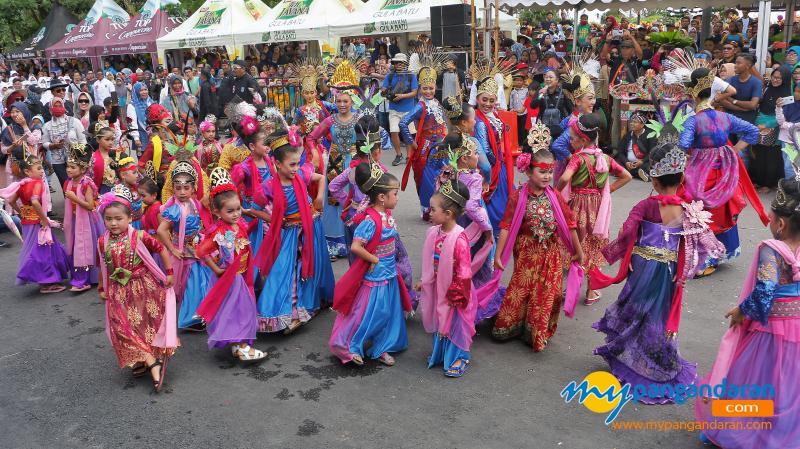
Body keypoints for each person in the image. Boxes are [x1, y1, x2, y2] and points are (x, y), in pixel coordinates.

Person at [591, 123, 725, 404]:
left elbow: (626, 233)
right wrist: (686, 271)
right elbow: (703, 245)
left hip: (642, 267)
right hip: (668, 272)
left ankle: (631, 356)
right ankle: (655, 359)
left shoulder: (646, 206)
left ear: (653, 180)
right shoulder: (688, 209)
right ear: (681, 177)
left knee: (636, 308)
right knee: (658, 315)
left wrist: (612, 255)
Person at [695, 177, 800, 448]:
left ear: (781, 224)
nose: (768, 219)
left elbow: (765, 290)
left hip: (771, 330)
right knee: (788, 384)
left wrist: (741, 310)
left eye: (770, 216)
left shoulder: (771, 250)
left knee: (759, 382)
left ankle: (753, 432)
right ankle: (784, 432)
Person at [488, 129, 584, 351]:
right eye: (542, 171)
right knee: (521, 289)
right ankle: (511, 326)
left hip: (551, 253)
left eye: (550, 172)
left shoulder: (555, 196)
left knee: (546, 293)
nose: (547, 176)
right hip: (526, 252)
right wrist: (498, 256)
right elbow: (505, 227)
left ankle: (536, 332)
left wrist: (578, 251)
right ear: (529, 171)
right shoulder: (518, 195)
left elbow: (570, 225)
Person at [679, 67, 766, 277]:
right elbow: (753, 131)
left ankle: (706, 257)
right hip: (724, 170)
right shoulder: (724, 118)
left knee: (698, 211)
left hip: (700, 172)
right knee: (721, 210)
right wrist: (733, 150)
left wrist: (687, 154)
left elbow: (683, 144)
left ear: (692, 94)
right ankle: (720, 252)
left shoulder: (693, 120)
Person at [97, 185, 177, 393]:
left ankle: (146, 358)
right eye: (108, 219)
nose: (113, 223)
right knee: (122, 328)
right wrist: (101, 286)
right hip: (117, 291)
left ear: (129, 218)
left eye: (118, 218)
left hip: (143, 286)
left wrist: (169, 272)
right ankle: (151, 361)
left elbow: (160, 247)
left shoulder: (138, 236)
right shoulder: (101, 241)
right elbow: (103, 265)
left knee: (142, 323)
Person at [329, 161, 411, 365]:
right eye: (395, 194)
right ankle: (350, 346)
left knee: (388, 312)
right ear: (382, 198)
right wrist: (374, 259)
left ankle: (382, 346)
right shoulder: (370, 220)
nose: (398, 198)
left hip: (389, 272)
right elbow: (356, 247)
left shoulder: (386, 214)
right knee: (369, 312)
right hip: (375, 274)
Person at [253, 131, 334, 334]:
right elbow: (255, 208)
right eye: (292, 164)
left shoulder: (302, 175)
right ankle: (288, 312)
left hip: (312, 227)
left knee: (311, 268)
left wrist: (319, 198)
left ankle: (305, 307)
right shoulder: (269, 187)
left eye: (298, 163)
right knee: (287, 271)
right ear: (277, 164)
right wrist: (275, 221)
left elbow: (321, 178)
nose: (296, 168)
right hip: (290, 234)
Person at [556, 113, 632, 305]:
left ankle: (569, 288)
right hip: (598, 207)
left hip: (577, 205)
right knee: (593, 246)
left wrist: (555, 193)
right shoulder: (605, 158)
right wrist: (610, 189)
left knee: (575, 244)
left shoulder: (577, 158)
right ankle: (591, 292)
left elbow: (565, 178)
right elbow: (627, 176)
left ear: (583, 140)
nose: (571, 141)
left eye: (573, 138)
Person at [194, 167, 267, 364]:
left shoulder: (238, 223)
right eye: (230, 211)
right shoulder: (221, 231)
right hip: (231, 278)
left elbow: (244, 235)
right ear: (217, 212)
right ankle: (242, 347)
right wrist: (217, 269)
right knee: (241, 310)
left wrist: (256, 217)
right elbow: (201, 252)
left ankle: (237, 345)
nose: (236, 214)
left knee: (237, 310)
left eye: (237, 209)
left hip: (242, 274)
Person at [416, 171, 476, 377]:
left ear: (448, 214)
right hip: (438, 287)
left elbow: (464, 271)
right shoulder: (435, 232)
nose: (429, 213)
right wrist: (424, 281)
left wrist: (457, 294)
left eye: (433, 210)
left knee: (456, 324)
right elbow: (432, 260)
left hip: (455, 292)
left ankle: (460, 356)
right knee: (440, 319)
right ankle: (441, 353)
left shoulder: (459, 238)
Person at [305, 59, 362, 259]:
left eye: (345, 101)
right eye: (338, 101)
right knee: (335, 201)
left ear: (352, 100)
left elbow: (375, 139)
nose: (342, 104)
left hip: (356, 164)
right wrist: (313, 153)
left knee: (356, 200)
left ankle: (357, 240)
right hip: (336, 163)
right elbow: (311, 138)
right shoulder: (330, 120)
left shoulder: (360, 118)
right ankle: (335, 242)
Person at [0, 151, 69, 293]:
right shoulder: (37, 183)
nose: (42, 171)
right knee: (43, 250)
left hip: (27, 222)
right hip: (37, 222)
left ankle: (46, 281)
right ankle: (47, 283)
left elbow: (12, 201)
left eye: (42, 168)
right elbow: (35, 202)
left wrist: (22, 213)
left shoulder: (23, 184)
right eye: (38, 169)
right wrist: (44, 220)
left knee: (37, 249)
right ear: (27, 171)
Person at [157, 161, 212, 331]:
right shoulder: (174, 209)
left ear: (193, 188)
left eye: (186, 188)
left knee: (200, 282)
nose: (182, 192)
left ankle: (199, 314)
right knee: (192, 284)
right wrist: (173, 249)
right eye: (178, 187)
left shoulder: (193, 203)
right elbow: (160, 230)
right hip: (183, 252)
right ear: (172, 188)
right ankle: (189, 319)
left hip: (196, 248)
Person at [400, 56, 448, 218]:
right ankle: (428, 210)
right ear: (420, 88)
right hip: (425, 149)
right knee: (426, 180)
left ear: (435, 87)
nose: (428, 91)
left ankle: (442, 208)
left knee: (444, 177)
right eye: (425, 88)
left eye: (431, 88)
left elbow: (444, 124)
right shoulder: (419, 106)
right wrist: (411, 142)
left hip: (441, 146)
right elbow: (403, 123)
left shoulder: (437, 103)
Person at [471, 61, 514, 234]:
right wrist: (494, 167)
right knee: (495, 203)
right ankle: (493, 234)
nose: (488, 103)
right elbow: (485, 151)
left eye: (491, 100)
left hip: (499, 163)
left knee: (502, 201)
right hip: (493, 166)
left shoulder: (493, 116)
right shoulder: (481, 123)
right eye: (484, 100)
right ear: (477, 99)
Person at [230, 116, 272, 273]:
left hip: (269, 209)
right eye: (264, 144)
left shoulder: (269, 161)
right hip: (252, 213)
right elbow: (230, 189)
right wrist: (238, 208)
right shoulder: (244, 168)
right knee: (254, 247)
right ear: (252, 146)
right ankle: (252, 280)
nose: (268, 147)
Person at [62, 143, 102, 292]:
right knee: (76, 246)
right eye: (68, 166)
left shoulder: (86, 183)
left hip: (87, 221)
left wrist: (74, 198)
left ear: (83, 169)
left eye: (73, 167)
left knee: (85, 247)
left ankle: (85, 280)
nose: (68, 169)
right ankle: (81, 276)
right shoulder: (69, 182)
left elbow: (90, 206)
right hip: (75, 220)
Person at [749, 66, 790, 191]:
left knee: (771, 157)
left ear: (785, 80)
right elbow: (762, 108)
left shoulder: (787, 95)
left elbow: (785, 115)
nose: (775, 80)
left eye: (779, 78)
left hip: (775, 127)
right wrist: (758, 122)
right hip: (760, 124)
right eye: (774, 77)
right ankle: (758, 180)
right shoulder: (767, 89)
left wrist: (767, 124)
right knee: (759, 154)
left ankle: (768, 183)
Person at [41, 96, 86, 194]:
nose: (57, 108)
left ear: (64, 107)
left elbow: (83, 140)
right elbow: (44, 142)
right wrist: (53, 146)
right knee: (65, 183)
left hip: (75, 158)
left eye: (59, 105)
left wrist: (81, 155)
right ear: (50, 109)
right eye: (55, 106)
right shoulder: (47, 126)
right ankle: (69, 204)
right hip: (57, 160)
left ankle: (80, 203)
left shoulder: (74, 121)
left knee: (79, 182)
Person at [382, 53, 419, 166]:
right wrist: (386, 93)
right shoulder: (390, 76)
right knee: (394, 131)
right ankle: (398, 154)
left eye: (400, 62)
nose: (398, 64)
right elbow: (383, 89)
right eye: (396, 62)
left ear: (405, 63)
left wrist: (402, 96)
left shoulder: (411, 75)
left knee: (407, 133)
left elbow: (414, 92)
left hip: (408, 109)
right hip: (394, 108)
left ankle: (408, 156)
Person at [1, 101, 41, 183]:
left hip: (32, 166)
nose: (14, 114)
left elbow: (33, 141)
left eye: (17, 111)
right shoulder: (9, 129)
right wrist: (12, 147)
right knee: (16, 191)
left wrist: (24, 126)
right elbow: (3, 150)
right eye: (12, 112)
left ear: (24, 112)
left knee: (32, 191)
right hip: (15, 168)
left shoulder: (34, 126)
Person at [614, 112, 655, 181]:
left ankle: (628, 173)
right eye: (632, 122)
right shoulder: (628, 135)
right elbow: (620, 152)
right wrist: (626, 162)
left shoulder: (650, 135)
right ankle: (639, 174)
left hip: (642, 162)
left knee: (649, 165)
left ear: (642, 125)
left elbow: (652, 152)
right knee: (617, 162)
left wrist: (642, 161)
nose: (632, 124)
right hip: (628, 163)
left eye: (635, 122)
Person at [126, 82, 154, 155]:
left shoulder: (150, 102)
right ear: (136, 92)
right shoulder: (132, 105)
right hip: (141, 136)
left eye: (145, 89)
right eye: (141, 90)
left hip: (153, 135)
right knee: (143, 160)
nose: (144, 92)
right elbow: (132, 123)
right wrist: (136, 138)